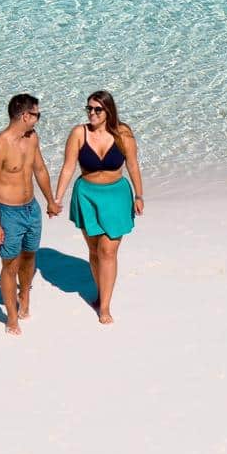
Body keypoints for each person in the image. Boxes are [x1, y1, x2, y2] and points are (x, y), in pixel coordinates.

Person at [53, 90, 144, 324]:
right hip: (87, 196)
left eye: (97, 109)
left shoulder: (123, 133)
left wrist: (139, 195)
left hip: (117, 196)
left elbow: (133, 165)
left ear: (108, 111)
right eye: (89, 109)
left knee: (108, 250)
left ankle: (104, 306)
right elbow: (68, 167)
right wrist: (57, 199)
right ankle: (100, 292)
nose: (91, 113)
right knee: (94, 250)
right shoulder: (78, 133)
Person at [0, 93, 60, 336]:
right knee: (10, 264)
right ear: (25, 115)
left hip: (32, 208)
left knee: (29, 257)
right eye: (37, 114)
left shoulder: (32, 138)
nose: (38, 119)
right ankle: (12, 316)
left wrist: (50, 200)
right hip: (9, 213)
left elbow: (39, 168)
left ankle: (24, 292)